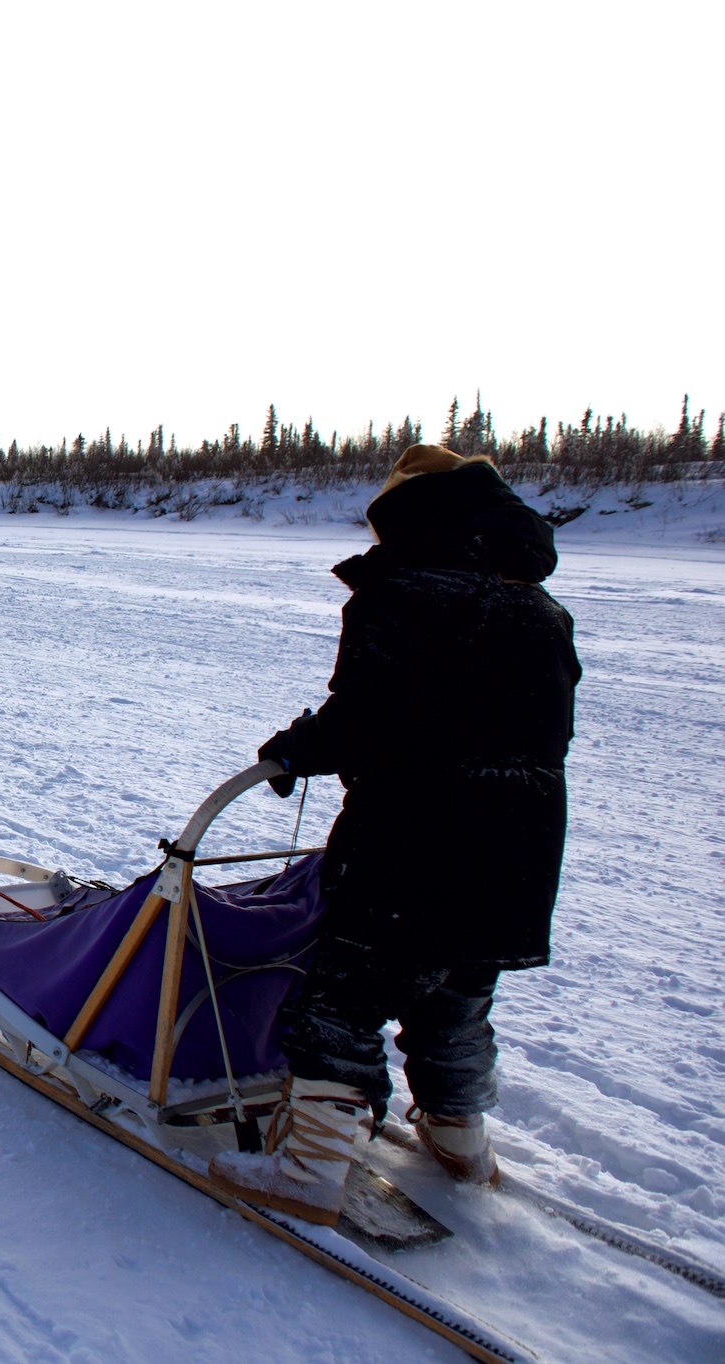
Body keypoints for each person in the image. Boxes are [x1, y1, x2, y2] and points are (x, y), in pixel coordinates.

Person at [208, 445, 581, 1224]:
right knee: (457, 993)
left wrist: (294, 750)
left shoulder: (405, 590)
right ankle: (461, 1141)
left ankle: (310, 1169)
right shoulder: (540, 606)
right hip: (521, 845)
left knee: (344, 996)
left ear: (407, 513)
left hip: (420, 837)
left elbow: (367, 718)